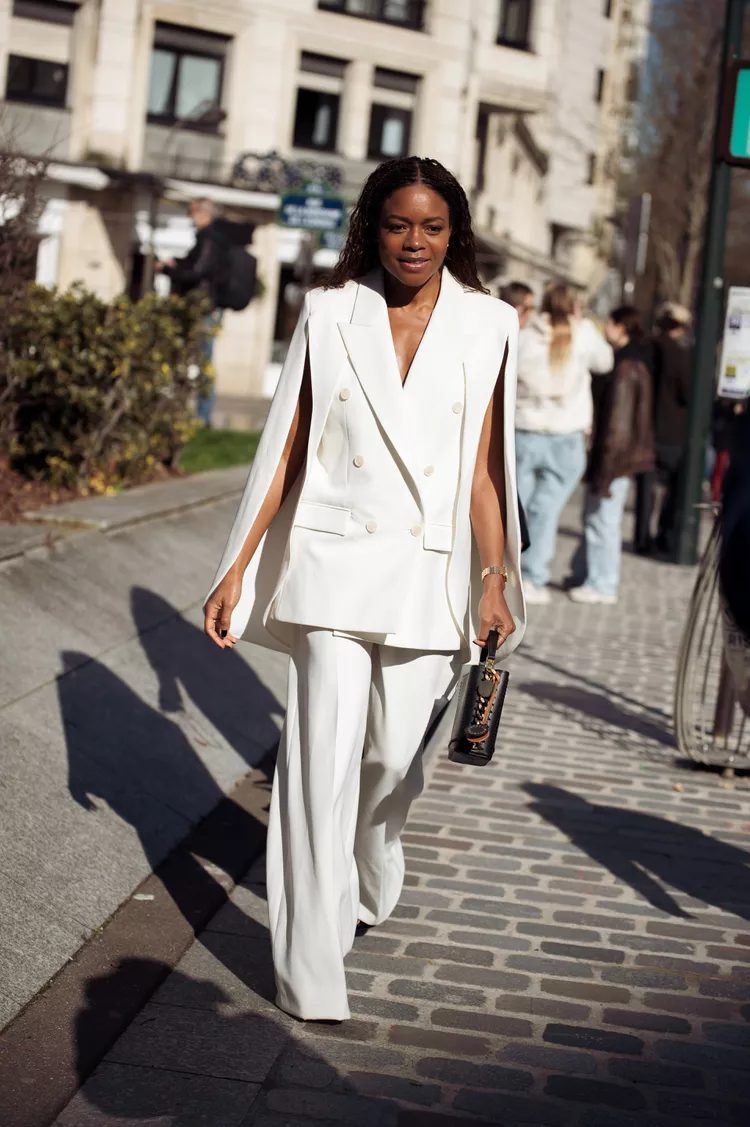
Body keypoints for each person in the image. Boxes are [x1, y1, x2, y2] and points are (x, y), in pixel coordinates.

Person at [202, 156, 526, 1022]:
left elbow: (486, 473)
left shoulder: (491, 324)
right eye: (397, 224)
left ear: (454, 233)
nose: (414, 242)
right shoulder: (329, 311)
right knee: (319, 763)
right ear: (372, 228)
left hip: (429, 572)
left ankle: (371, 860)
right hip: (332, 564)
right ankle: (310, 969)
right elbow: (287, 443)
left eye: (432, 226)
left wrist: (494, 579)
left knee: (389, 762)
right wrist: (235, 566)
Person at [515, 282, 614, 604]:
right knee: (546, 511)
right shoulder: (583, 334)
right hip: (566, 436)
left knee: (515, 510)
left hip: (525, 429)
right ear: (574, 305)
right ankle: (533, 577)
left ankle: (504, 573)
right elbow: (605, 362)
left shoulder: (527, 333)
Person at [569, 305, 655, 604]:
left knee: (603, 521)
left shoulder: (625, 366)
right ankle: (586, 574)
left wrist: (605, 467)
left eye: (609, 322)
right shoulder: (631, 360)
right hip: (617, 457)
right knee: (597, 518)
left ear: (621, 326)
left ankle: (602, 583)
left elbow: (618, 425)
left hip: (614, 459)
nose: (605, 327)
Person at [157, 198, 254, 426]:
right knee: (199, 359)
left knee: (202, 360)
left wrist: (169, 271)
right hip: (206, 307)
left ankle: (202, 415)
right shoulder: (213, 238)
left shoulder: (209, 238)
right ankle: (192, 412)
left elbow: (198, 271)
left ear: (204, 214)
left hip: (205, 308)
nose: (191, 217)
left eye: (193, 212)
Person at [634, 301, 693, 557]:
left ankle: (641, 538)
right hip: (672, 431)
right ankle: (665, 537)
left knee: (645, 490)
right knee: (673, 490)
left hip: (645, 428)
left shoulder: (644, 349)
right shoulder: (682, 355)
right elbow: (688, 393)